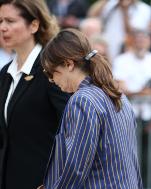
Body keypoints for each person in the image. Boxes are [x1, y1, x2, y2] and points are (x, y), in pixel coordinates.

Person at [38, 28, 142, 189]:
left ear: (68, 64)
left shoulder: (82, 100)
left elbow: (76, 167)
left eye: (52, 73)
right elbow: (132, 161)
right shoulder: (117, 94)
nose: (51, 80)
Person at [0, 0, 70, 189]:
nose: (3, 28)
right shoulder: (5, 73)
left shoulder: (51, 70)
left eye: (10, 21)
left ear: (34, 25)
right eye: (0, 21)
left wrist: (56, 180)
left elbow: (72, 130)